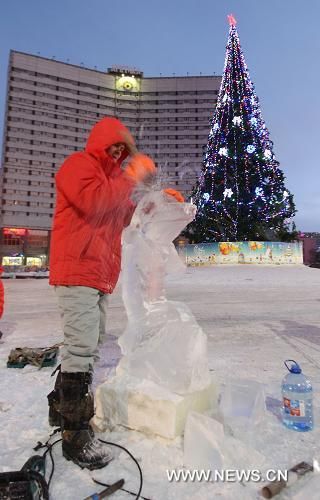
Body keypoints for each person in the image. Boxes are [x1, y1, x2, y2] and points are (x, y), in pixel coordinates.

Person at [48, 116, 156, 470]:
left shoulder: (113, 182)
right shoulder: (77, 166)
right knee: (79, 348)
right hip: (77, 270)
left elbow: (125, 216)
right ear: (100, 143)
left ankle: (59, 408)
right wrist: (130, 177)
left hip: (98, 276)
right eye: (113, 146)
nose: (116, 152)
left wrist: (154, 205)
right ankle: (75, 434)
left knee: (89, 345)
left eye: (121, 149)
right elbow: (93, 203)